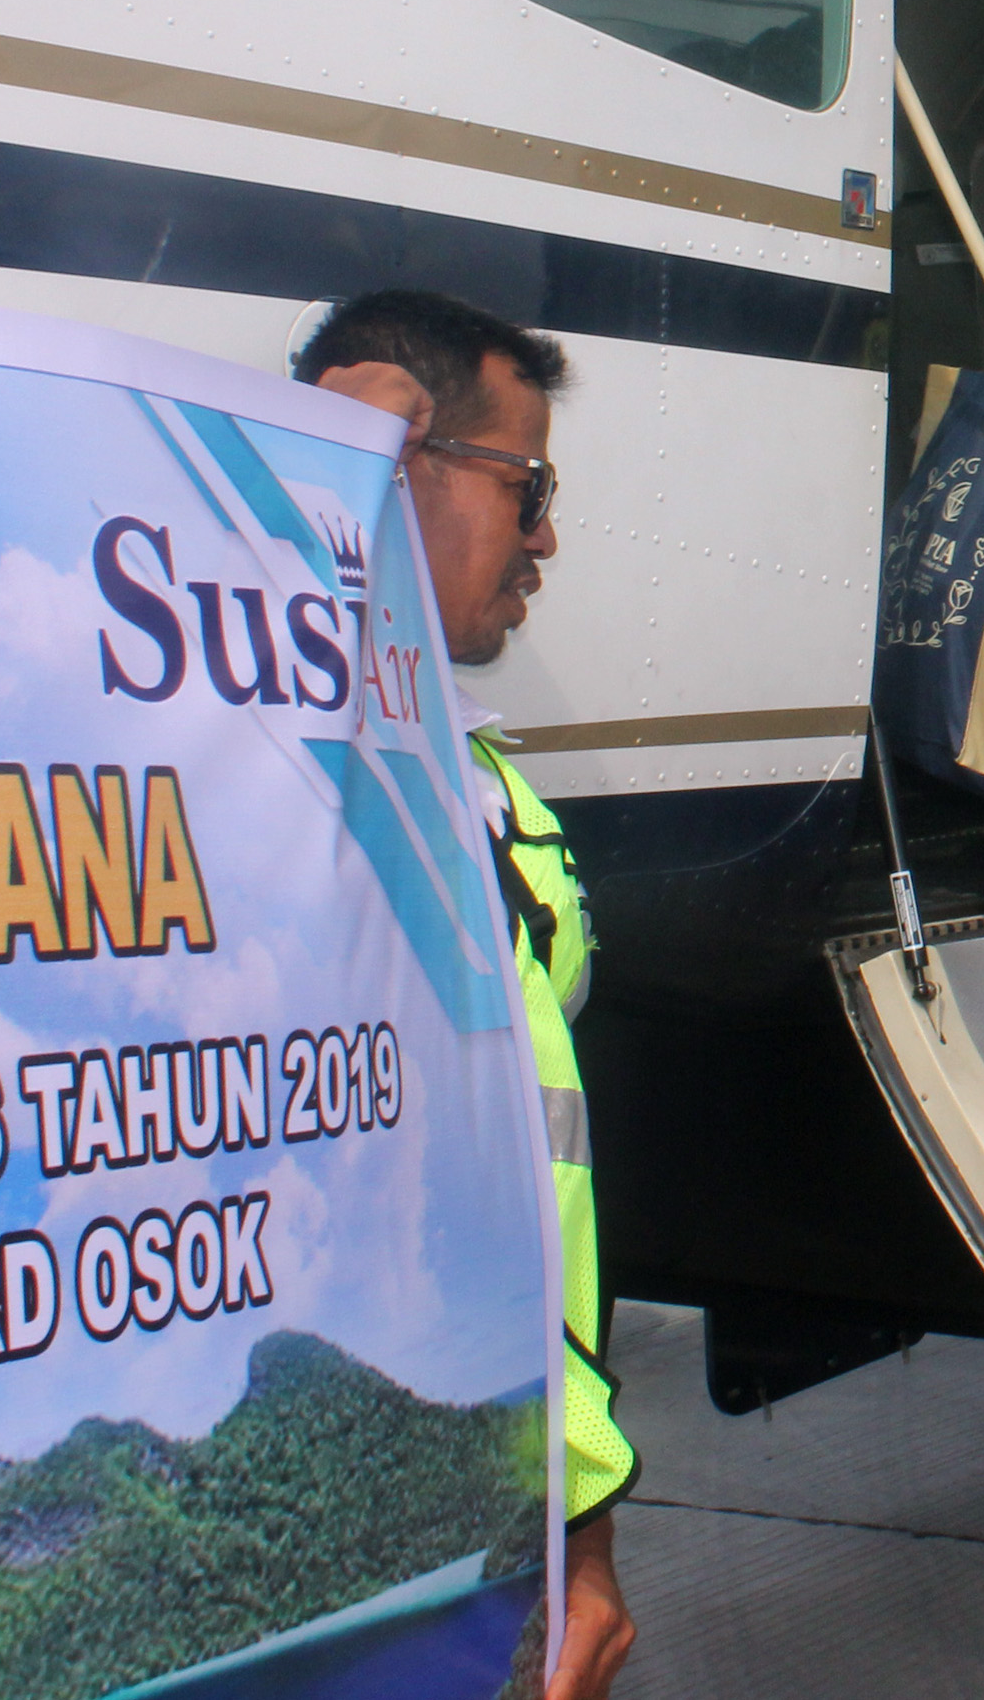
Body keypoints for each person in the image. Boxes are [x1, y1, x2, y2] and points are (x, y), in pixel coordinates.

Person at [292, 289, 634, 1700]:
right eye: (528, 485)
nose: (547, 533)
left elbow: (531, 1213)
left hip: (492, 1515)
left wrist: (580, 1538)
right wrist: (327, 474)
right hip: (389, 1546)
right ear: (405, 468)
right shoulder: (288, 766)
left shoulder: (481, 790)